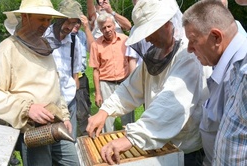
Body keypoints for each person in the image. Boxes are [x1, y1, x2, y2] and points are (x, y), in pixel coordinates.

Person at [87, 0, 211, 165]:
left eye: (151, 31)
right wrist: (104, 111)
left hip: (186, 150)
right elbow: (130, 88)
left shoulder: (189, 55)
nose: (147, 38)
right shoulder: (156, 54)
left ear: (167, 24)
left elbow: (170, 103)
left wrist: (132, 138)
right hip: (159, 144)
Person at [0, 0, 75, 165]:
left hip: (57, 123)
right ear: (25, 16)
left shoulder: (45, 46)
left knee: (74, 163)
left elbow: (54, 85)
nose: (46, 24)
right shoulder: (8, 48)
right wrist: (27, 108)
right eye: (41, 19)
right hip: (33, 130)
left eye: (48, 20)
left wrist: (65, 115)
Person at [182, 1, 247, 165]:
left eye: (193, 40)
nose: (189, 48)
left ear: (216, 37)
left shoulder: (242, 72)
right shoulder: (227, 67)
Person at [89, 12, 135, 133]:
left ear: (114, 25)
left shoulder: (125, 40)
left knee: (128, 117)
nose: (107, 30)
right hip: (106, 84)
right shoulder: (96, 45)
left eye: (109, 26)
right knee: (107, 119)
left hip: (124, 82)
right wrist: (98, 93)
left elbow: (131, 61)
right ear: (100, 29)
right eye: (104, 28)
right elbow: (95, 70)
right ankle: (107, 145)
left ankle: (129, 143)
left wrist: (132, 83)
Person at [45, 0, 83, 141]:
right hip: (49, 102)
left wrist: (74, 91)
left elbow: (76, 73)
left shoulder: (75, 41)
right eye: (67, 21)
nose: (69, 26)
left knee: (69, 141)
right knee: (50, 142)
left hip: (69, 100)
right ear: (58, 18)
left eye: (74, 22)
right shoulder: (43, 37)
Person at [71, 19, 93, 136]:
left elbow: (92, 49)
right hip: (66, 78)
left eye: (79, 22)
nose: (76, 25)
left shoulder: (82, 35)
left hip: (81, 76)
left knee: (84, 109)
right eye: (74, 22)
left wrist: (87, 28)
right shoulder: (62, 35)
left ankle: (85, 139)